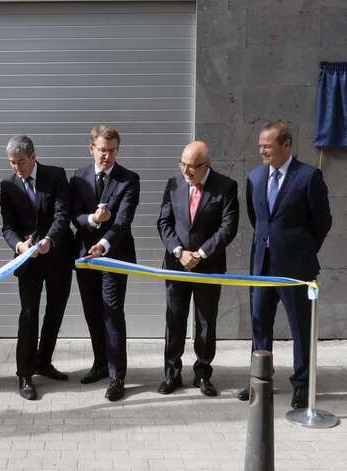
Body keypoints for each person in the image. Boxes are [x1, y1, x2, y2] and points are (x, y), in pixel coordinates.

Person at [238, 121, 332, 409]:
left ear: (287, 144)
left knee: (301, 328)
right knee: (259, 324)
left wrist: (301, 252)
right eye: (260, 146)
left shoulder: (308, 176)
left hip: (296, 269)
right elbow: (257, 218)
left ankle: (302, 384)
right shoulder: (255, 177)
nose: (262, 151)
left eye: (267, 146)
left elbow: (322, 222)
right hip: (262, 266)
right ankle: (260, 379)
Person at [157, 141, 239, 397]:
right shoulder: (174, 184)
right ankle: (172, 373)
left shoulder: (225, 186)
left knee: (205, 321)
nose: (186, 171)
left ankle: (203, 374)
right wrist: (179, 252)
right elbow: (164, 222)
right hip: (176, 265)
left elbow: (228, 227)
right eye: (182, 164)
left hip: (208, 266)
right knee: (174, 320)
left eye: (192, 166)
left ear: (207, 164)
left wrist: (201, 253)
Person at [0, 135, 74, 400]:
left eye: (21, 161)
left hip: (57, 257)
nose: (16, 167)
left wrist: (49, 240)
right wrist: (19, 245)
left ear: (33, 157)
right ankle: (24, 374)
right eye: (12, 162)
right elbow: (7, 227)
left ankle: (44, 361)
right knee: (29, 315)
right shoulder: (7, 185)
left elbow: (62, 214)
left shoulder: (55, 175)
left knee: (55, 312)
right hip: (28, 261)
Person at [70, 125, 140, 402]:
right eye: (102, 150)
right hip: (85, 257)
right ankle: (100, 364)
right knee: (92, 312)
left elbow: (123, 221)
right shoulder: (78, 177)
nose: (107, 156)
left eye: (112, 151)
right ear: (92, 149)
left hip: (114, 256)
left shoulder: (129, 179)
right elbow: (73, 216)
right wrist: (92, 219)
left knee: (112, 312)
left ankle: (116, 376)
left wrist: (103, 244)